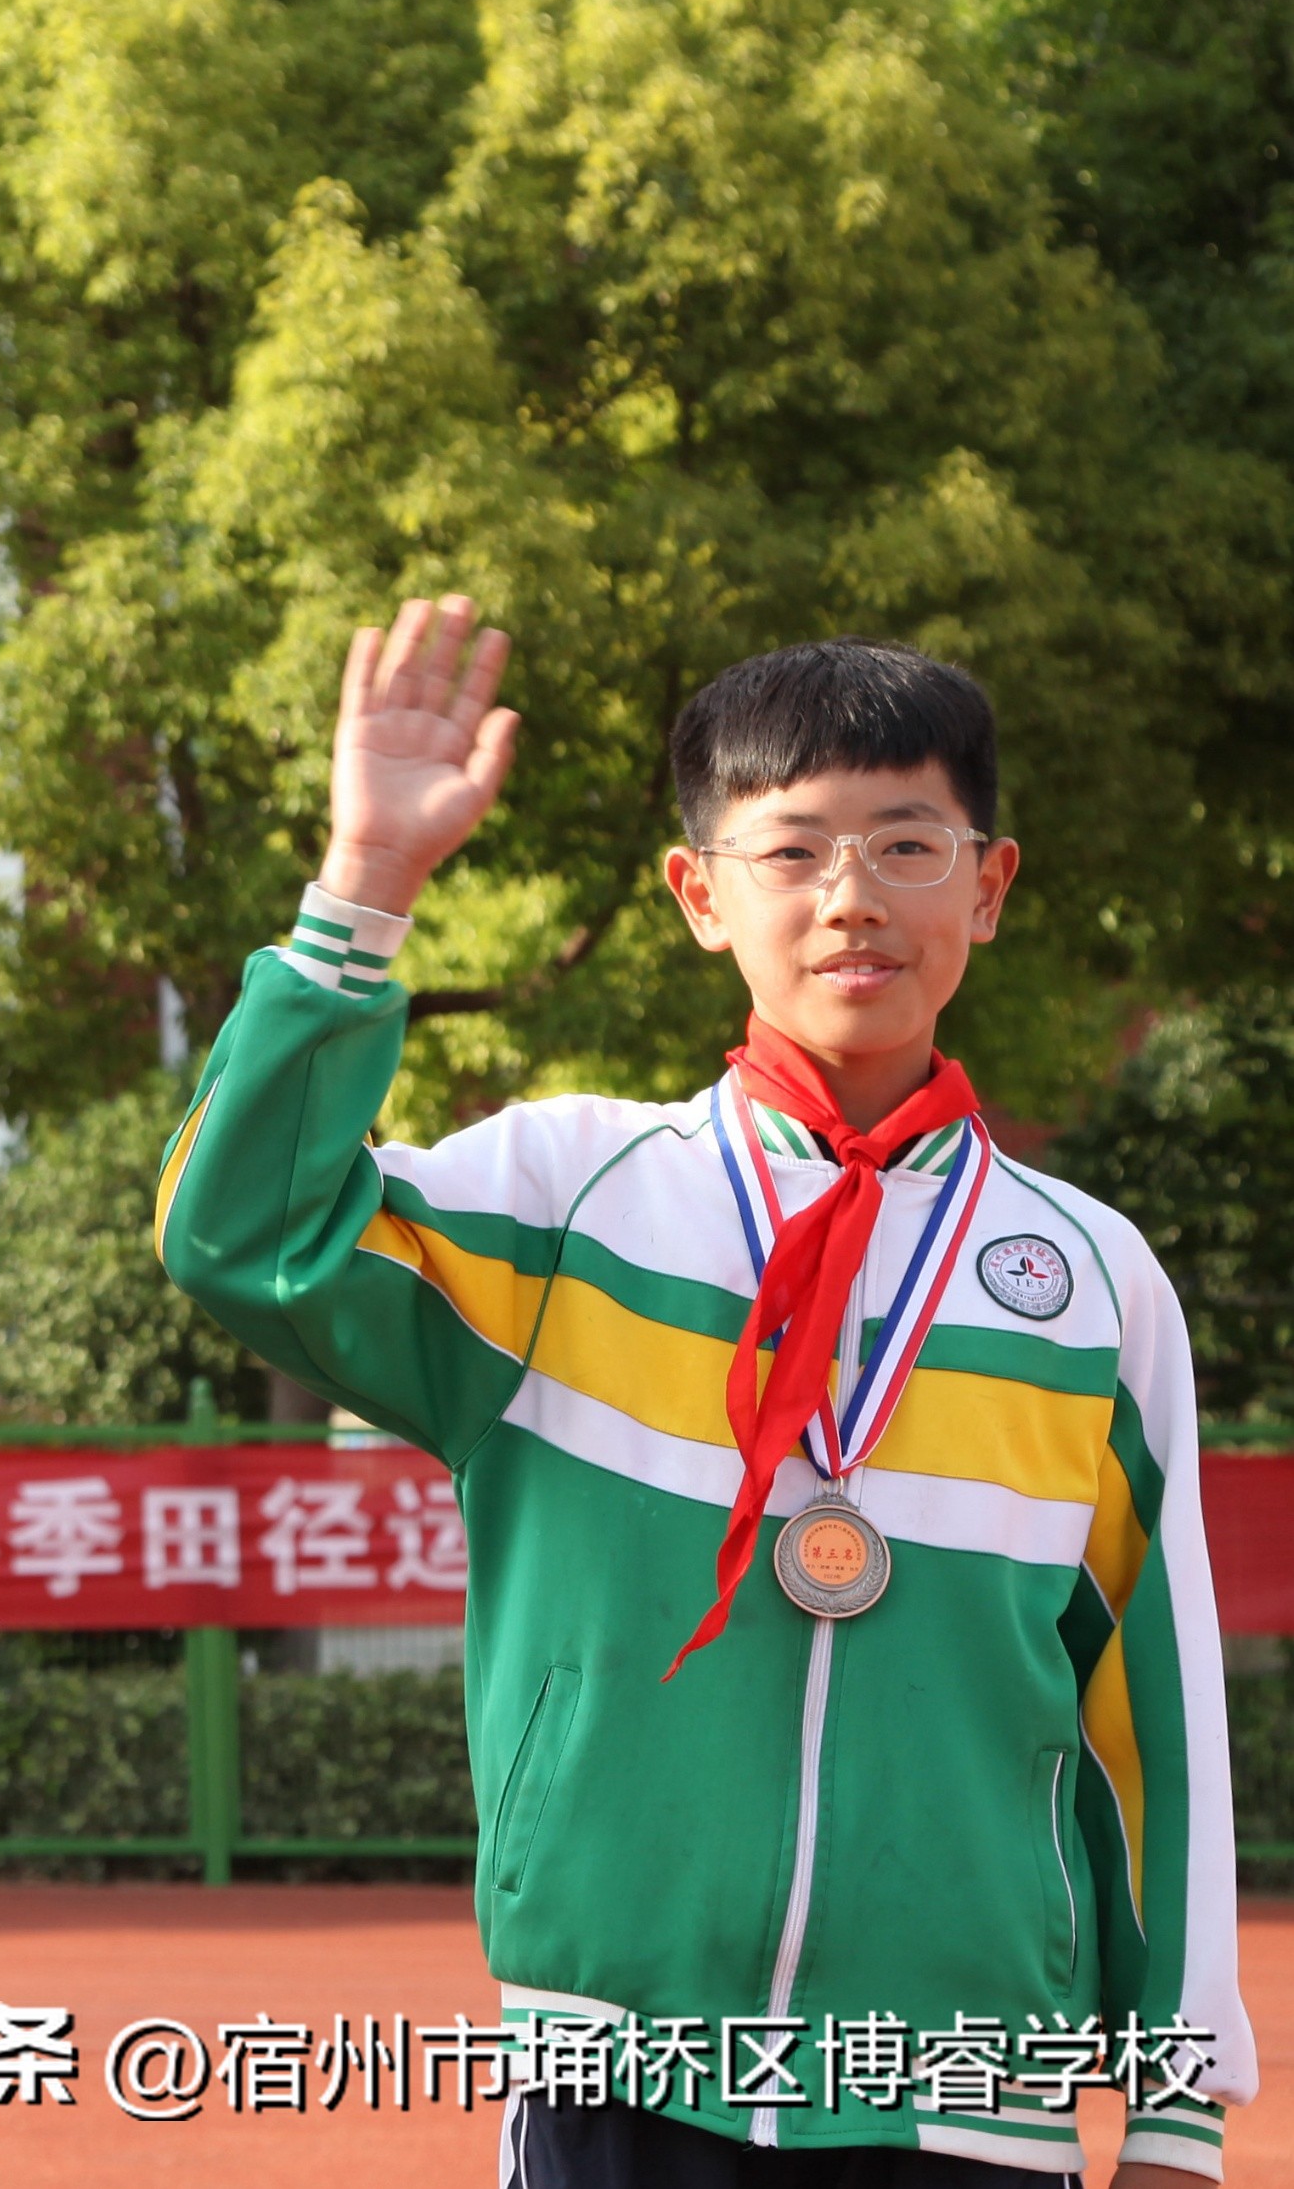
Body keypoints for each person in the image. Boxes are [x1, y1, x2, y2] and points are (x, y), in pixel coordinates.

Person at [157, 604, 1255, 2186]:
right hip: (616, 2068)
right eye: (791, 852)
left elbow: (1149, 1715)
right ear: (697, 895)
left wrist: (1169, 2115)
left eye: (906, 846)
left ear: (989, 884)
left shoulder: (1085, 1281)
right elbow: (240, 1232)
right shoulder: (560, 1204)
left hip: (955, 2088)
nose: (850, 900)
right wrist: (366, 887)